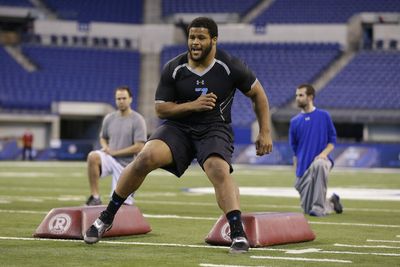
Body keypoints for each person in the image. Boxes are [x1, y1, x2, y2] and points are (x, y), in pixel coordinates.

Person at [84, 17, 273, 253]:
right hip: (179, 128)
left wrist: (265, 131)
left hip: (214, 127)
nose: (194, 42)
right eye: (192, 37)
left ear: (214, 40)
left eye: (201, 38)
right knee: (144, 157)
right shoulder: (174, 67)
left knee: (218, 168)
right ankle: (106, 217)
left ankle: (237, 233)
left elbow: (259, 95)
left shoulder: (230, 66)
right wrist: (193, 105)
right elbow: (161, 108)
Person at [85, 85, 147, 206]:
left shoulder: (138, 119)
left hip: (127, 165)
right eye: (118, 99)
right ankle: (95, 196)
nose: (121, 101)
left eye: (124, 98)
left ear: (130, 99)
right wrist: (106, 147)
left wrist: (114, 152)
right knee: (93, 156)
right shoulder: (109, 118)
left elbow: (139, 147)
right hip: (110, 158)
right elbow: (103, 137)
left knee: (122, 204)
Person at [289, 84, 343, 217]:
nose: (297, 98)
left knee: (319, 164)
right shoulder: (294, 122)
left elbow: (332, 141)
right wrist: (297, 173)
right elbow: (295, 151)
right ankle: (331, 202)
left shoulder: (324, 116)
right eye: (296, 95)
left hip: (322, 162)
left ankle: (319, 208)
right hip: (304, 168)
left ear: (310, 97)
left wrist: (323, 154)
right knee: (307, 209)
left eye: (301, 95)